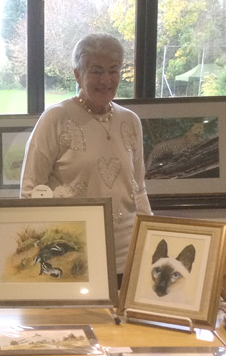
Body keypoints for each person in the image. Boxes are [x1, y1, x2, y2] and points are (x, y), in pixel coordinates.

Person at [20, 33, 152, 285]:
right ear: (77, 75)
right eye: (96, 71)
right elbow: (30, 191)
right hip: (73, 254)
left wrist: (152, 238)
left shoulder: (131, 121)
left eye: (114, 71)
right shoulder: (55, 118)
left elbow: (139, 189)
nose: (106, 80)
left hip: (128, 254)